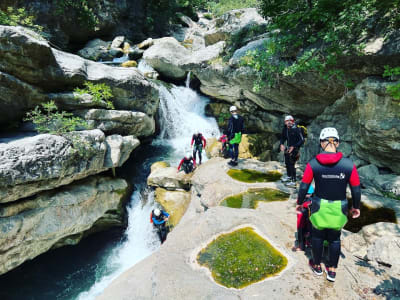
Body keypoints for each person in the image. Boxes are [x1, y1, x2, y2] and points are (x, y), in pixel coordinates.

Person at [296, 127, 361, 282]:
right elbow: (356, 189)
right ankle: (332, 271)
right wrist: (356, 207)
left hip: (319, 207)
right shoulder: (348, 165)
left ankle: (317, 266)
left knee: (317, 236)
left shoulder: (313, 164)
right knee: (335, 238)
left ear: (321, 143)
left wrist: (299, 203)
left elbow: (304, 186)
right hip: (340, 208)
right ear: (337, 143)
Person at [279, 115, 305, 187]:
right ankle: (289, 176)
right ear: (285, 122)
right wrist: (281, 144)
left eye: (291, 121)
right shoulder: (285, 129)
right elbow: (282, 138)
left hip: (295, 149)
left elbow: (302, 140)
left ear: (293, 122)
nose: (289, 122)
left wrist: (294, 146)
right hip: (287, 148)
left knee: (292, 164)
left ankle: (293, 181)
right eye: (287, 121)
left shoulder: (297, 129)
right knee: (287, 163)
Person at [293, 185, 314, 252]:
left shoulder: (303, 201)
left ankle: (301, 247)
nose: (307, 195)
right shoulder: (312, 200)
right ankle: (308, 243)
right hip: (307, 220)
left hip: (302, 221)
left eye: (308, 194)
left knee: (301, 234)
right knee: (308, 232)